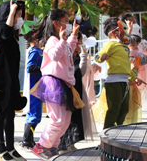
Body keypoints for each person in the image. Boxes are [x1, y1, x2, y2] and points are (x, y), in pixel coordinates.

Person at [29, 9, 79, 160]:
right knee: (57, 118)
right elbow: (55, 56)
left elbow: (69, 49)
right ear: (57, 23)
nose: (69, 24)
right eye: (66, 20)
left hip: (64, 84)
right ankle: (42, 146)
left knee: (66, 120)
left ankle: (53, 146)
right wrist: (64, 40)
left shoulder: (61, 41)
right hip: (54, 83)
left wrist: (74, 36)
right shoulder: (52, 40)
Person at [0, 0, 27, 161]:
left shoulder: (14, 35)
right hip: (0, 78)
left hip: (11, 77)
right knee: (1, 113)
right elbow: (4, 31)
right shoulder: (0, 30)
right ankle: (1, 149)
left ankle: (10, 148)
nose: (19, 18)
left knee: (10, 113)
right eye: (16, 15)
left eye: (19, 15)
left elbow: (10, 29)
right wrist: (12, 12)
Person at [94, 17, 144, 129]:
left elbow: (126, 66)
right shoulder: (110, 45)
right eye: (123, 29)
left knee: (124, 109)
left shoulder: (124, 46)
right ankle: (107, 133)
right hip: (114, 82)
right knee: (114, 109)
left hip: (124, 82)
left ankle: (117, 130)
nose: (126, 32)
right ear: (114, 32)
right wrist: (100, 58)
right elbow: (97, 56)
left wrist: (134, 77)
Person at [58, 32, 97, 153]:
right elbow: (77, 71)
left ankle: (71, 143)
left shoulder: (77, 56)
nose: (80, 44)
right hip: (68, 91)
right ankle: (62, 145)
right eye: (79, 41)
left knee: (76, 118)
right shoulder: (66, 57)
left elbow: (81, 73)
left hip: (77, 90)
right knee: (68, 118)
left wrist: (83, 56)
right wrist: (84, 56)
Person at [19, 30, 43, 151]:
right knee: (34, 115)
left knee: (33, 114)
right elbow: (30, 68)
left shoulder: (37, 51)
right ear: (34, 39)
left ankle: (29, 139)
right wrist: (44, 69)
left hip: (36, 86)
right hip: (35, 87)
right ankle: (26, 140)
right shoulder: (36, 52)